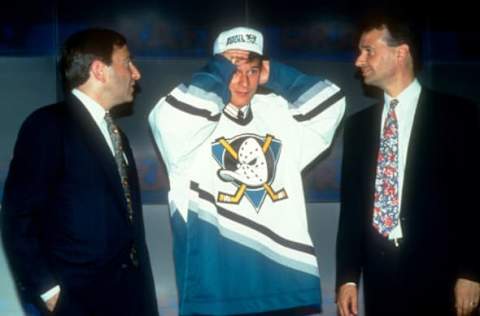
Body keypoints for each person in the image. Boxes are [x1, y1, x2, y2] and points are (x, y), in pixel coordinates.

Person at [149, 26, 345, 315]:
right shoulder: (191, 112)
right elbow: (168, 123)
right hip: (216, 287)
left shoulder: (278, 110)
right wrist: (217, 70)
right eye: (234, 71)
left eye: (252, 71)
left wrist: (275, 74)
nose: (243, 82)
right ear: (217, 69)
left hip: (284, 282)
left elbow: (332, 102)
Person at [1, 28, 159, 316]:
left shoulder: (117, 136)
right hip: (78, 303)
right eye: (127, 63)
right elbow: (18, 216)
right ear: (99, 70)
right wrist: (48, 290)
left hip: (130, 299)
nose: (135, 73)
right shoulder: (48, 125)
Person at [335, 14, 480, 316]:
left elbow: (474, 198)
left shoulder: (457, 115)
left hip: (444, 277)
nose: (359, 60)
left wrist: (471, 271)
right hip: (380, 277)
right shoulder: (358, 126)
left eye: (368, 50)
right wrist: (347, 278)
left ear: (400, 53)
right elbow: (351, 209)